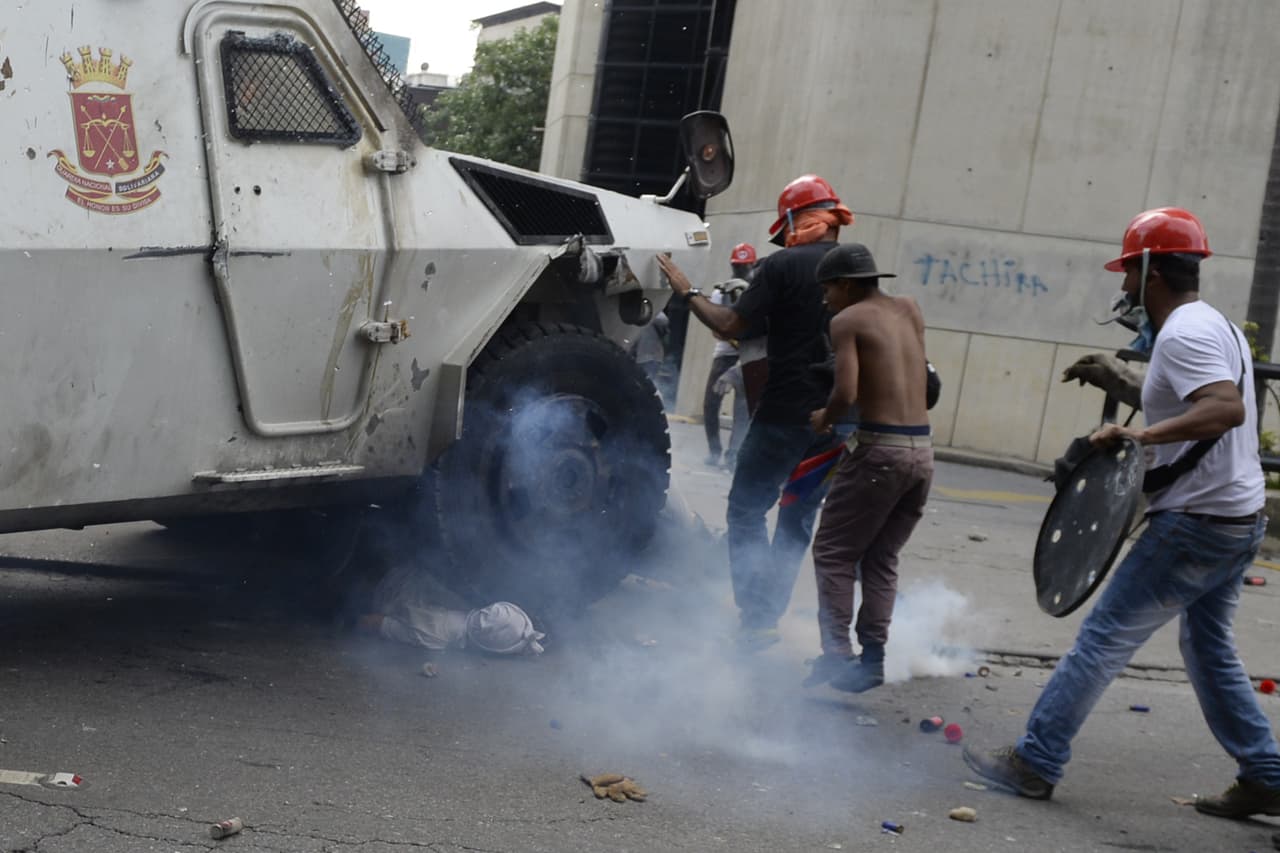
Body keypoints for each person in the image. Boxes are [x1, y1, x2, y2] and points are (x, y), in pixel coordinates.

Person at [962, 207, 1280, 818]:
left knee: (1103, 638)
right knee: (1208, 648)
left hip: (1196, 524)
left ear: (1151, 271)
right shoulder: (1213, 324)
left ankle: (1036, 760)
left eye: (1129, 272)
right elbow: (1189, 401)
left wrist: (1139, 436)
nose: (1125, 285)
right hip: (1237, 518)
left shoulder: (1182, 334)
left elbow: (1224, 409)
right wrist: (1123, 385)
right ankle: (1266, 774)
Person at [657, 174, 854, 649]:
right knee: (797, 518)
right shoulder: (856, 269)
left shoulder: (781, 265)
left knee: (746, 510)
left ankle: (757, 617)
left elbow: (730, 324)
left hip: (784, 414)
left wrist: (687, 291)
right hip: (836, 419)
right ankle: (769, 613)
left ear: (793, 221)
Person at [801, 243, 933, 692]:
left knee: (833, 552)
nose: (825, 301)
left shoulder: (847, 320)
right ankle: (873, 659)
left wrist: (825, 417)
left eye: (827, 290)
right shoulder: (909, 309)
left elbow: (847, 392)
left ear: (845, 285)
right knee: (881, 557)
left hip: (879, 451)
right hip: (922, 452)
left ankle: (837, 655)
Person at [703, 242, 759, 467]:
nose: (741, 271)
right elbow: (716, 329)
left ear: (753, 265)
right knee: (710, 402)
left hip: (748, 354)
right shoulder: (721, 292)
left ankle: (733, 455)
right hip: (726, 353)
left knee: (742, 406)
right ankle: (714, 451)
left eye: (745, 266)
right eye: (737, 266)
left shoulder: (758, 290)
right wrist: (734, 340)